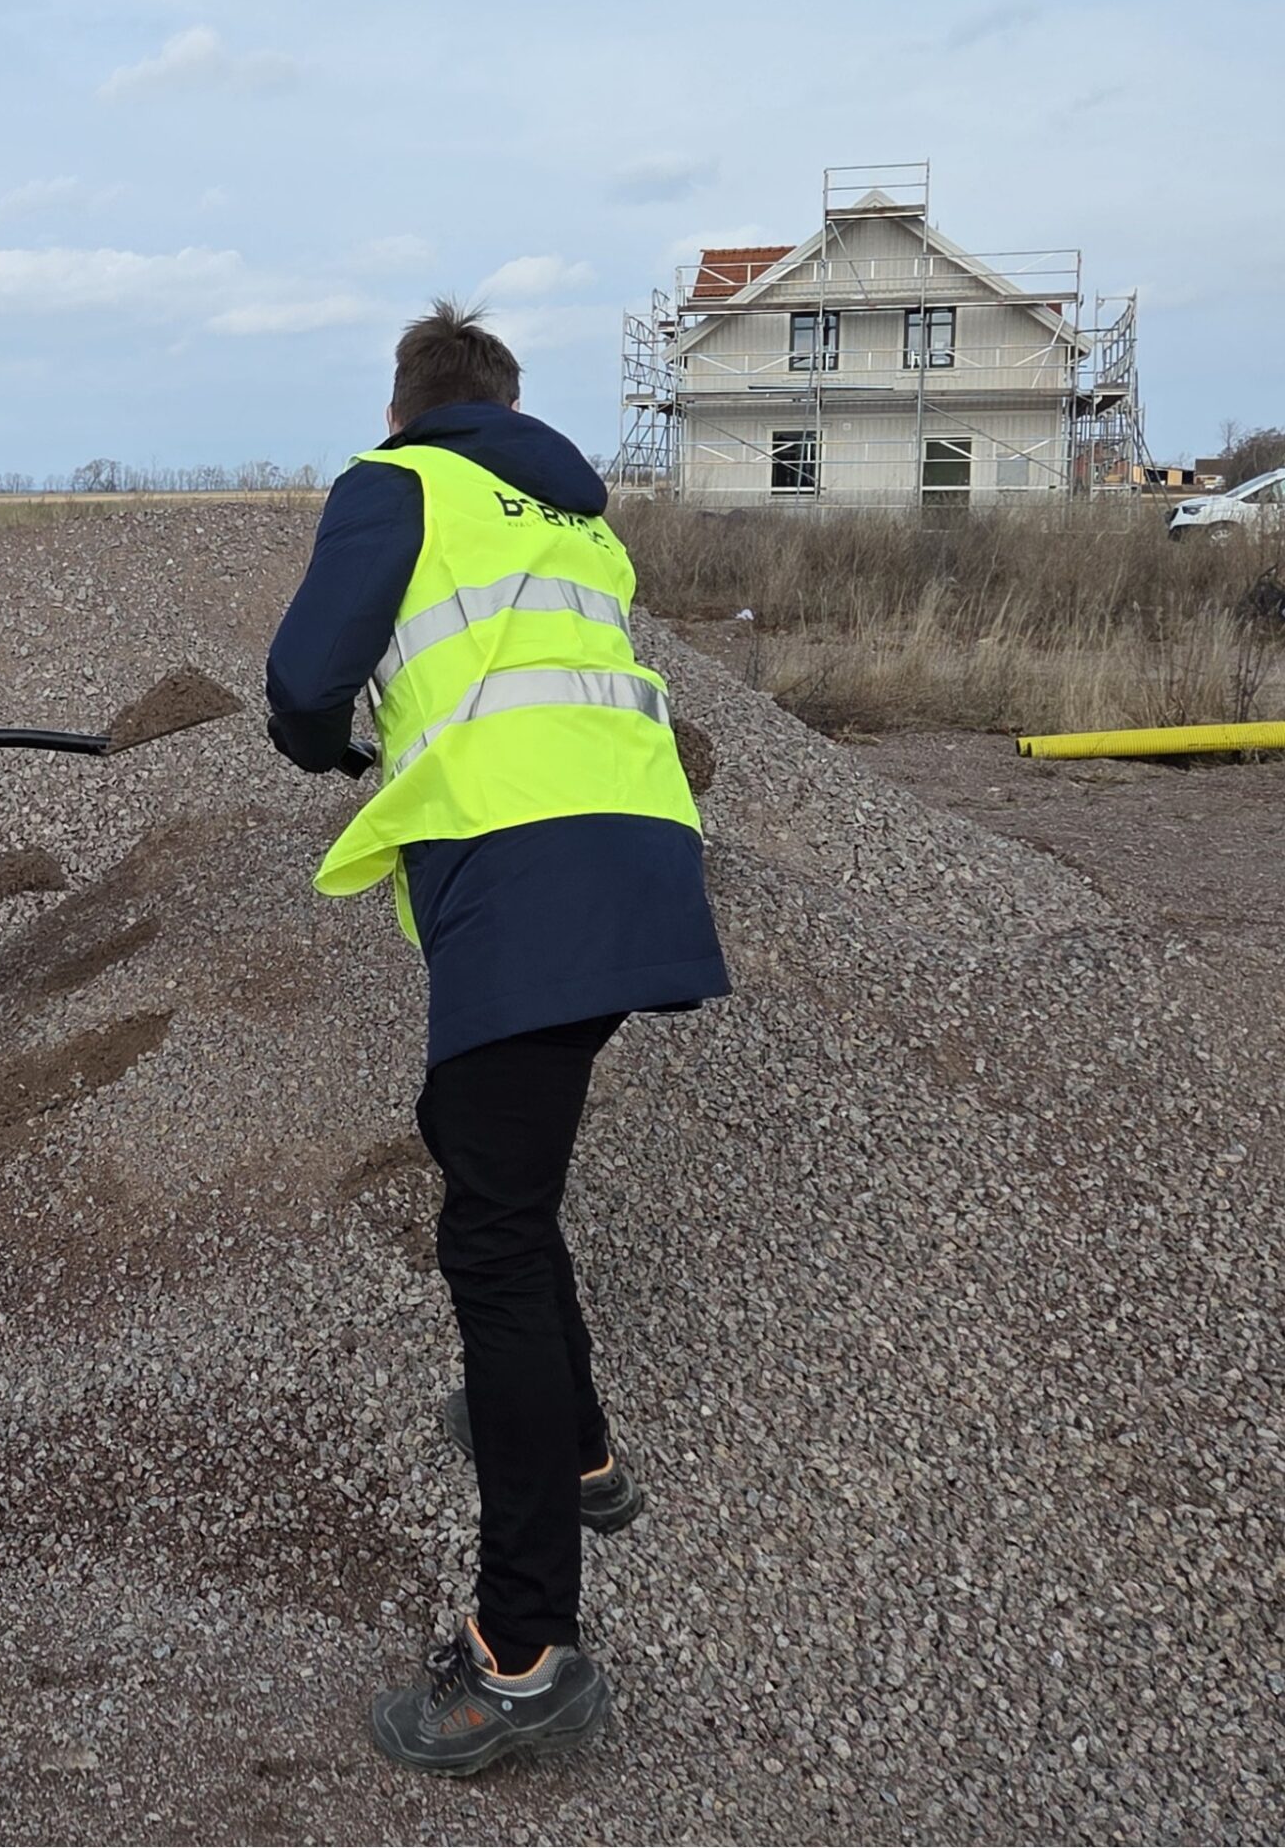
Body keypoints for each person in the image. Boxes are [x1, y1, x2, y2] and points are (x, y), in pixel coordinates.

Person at [264, 300, 729, 1776]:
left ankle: (521, 1650)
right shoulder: (577, 518)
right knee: (507, 1182)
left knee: (492, 1239)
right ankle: (576, 1449)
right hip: (639, 853)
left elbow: (303, 685)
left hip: (525, 876)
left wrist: (323, 741)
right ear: (509, 408)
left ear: (402, 408)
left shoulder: (394, 482)